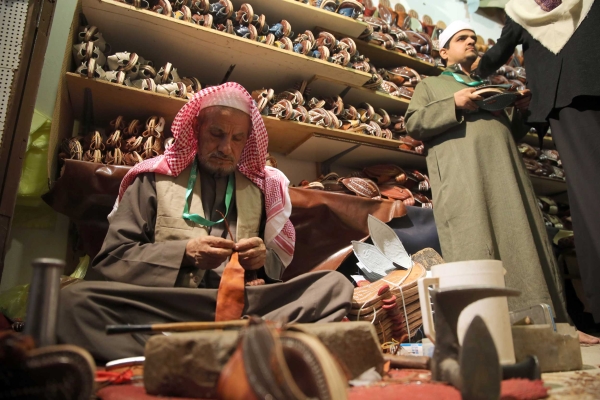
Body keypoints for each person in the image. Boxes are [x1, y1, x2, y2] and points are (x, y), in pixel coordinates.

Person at [55, 83, 354, 362]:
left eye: (237, 139)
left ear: (248, 141)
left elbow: (274, 268)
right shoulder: (153, 181)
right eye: (217, 133)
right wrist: (184, 253)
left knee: (333, 285)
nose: (226, 147)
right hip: (169, 305)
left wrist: (262, 262)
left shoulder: (260, 189)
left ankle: (185, 353)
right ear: (196, 131)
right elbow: (113, 257)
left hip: (243, 305)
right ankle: (238, 351)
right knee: (71, 302)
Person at [405, 21, 569, 323]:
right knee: (473, 239)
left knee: (521, 237)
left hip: (506, 175)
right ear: (443, 51)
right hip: (463, 175)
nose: (471, 41)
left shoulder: (491, 87)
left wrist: (521, 110)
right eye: (461, 38)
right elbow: (413, 123)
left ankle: (546, 322)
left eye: (473, 37)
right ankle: (487, 325)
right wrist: (456, 102)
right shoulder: (431, 85)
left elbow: (512, 133)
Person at [474, 0, 600, 339]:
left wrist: (473, 72)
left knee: (590, 202)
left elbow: (499, 51)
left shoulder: (526, 9)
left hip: (569, 94)